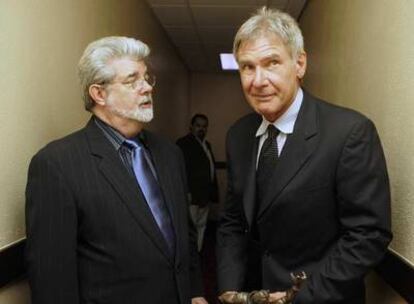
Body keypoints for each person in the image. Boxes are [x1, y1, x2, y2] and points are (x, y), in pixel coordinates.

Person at [216, 7, 392, 304]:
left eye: (271, 63)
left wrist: (298, 298)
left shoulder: (349, 132)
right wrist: (230, 290)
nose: (258, 80)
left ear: (300, 64)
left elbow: (368, 235)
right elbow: (233, 221)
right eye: (247, 67)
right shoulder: (238, 135)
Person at [25, 36, 208, 304]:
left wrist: (195, 291)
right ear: (99, 94)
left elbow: (185, 234)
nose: (146, 88)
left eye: (147, 78)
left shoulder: (170, 154)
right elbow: (52, 279)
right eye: (132, 81)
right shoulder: (57, 165)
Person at [176, 114, 219, 252]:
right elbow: (179, 169)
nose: (201, 129)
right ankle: (188, 257)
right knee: (189, 229)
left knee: (201, 226)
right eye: (198, 125)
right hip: (191, 196)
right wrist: (185, 192)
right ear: (191, 127)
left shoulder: (206, 144)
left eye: (204, 126)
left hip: (204, 195)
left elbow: (210, 168)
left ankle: (197, 254)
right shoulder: (183, 143)